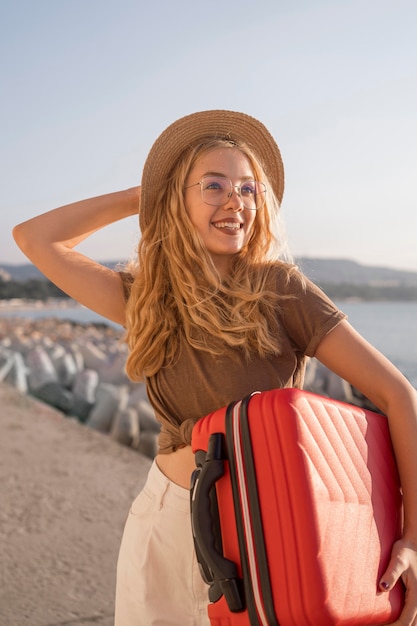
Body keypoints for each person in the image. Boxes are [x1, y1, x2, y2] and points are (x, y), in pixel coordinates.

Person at [13, 109, 417, 626]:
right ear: (177, 201)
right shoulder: (147, 297)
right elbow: (34, 238)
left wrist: (411, 533)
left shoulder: (283, 290)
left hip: (264, 528)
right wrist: (148, 193)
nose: (235, 201)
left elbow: (397, 395)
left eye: (249, 189)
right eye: (214, 185)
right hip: (165, 523)